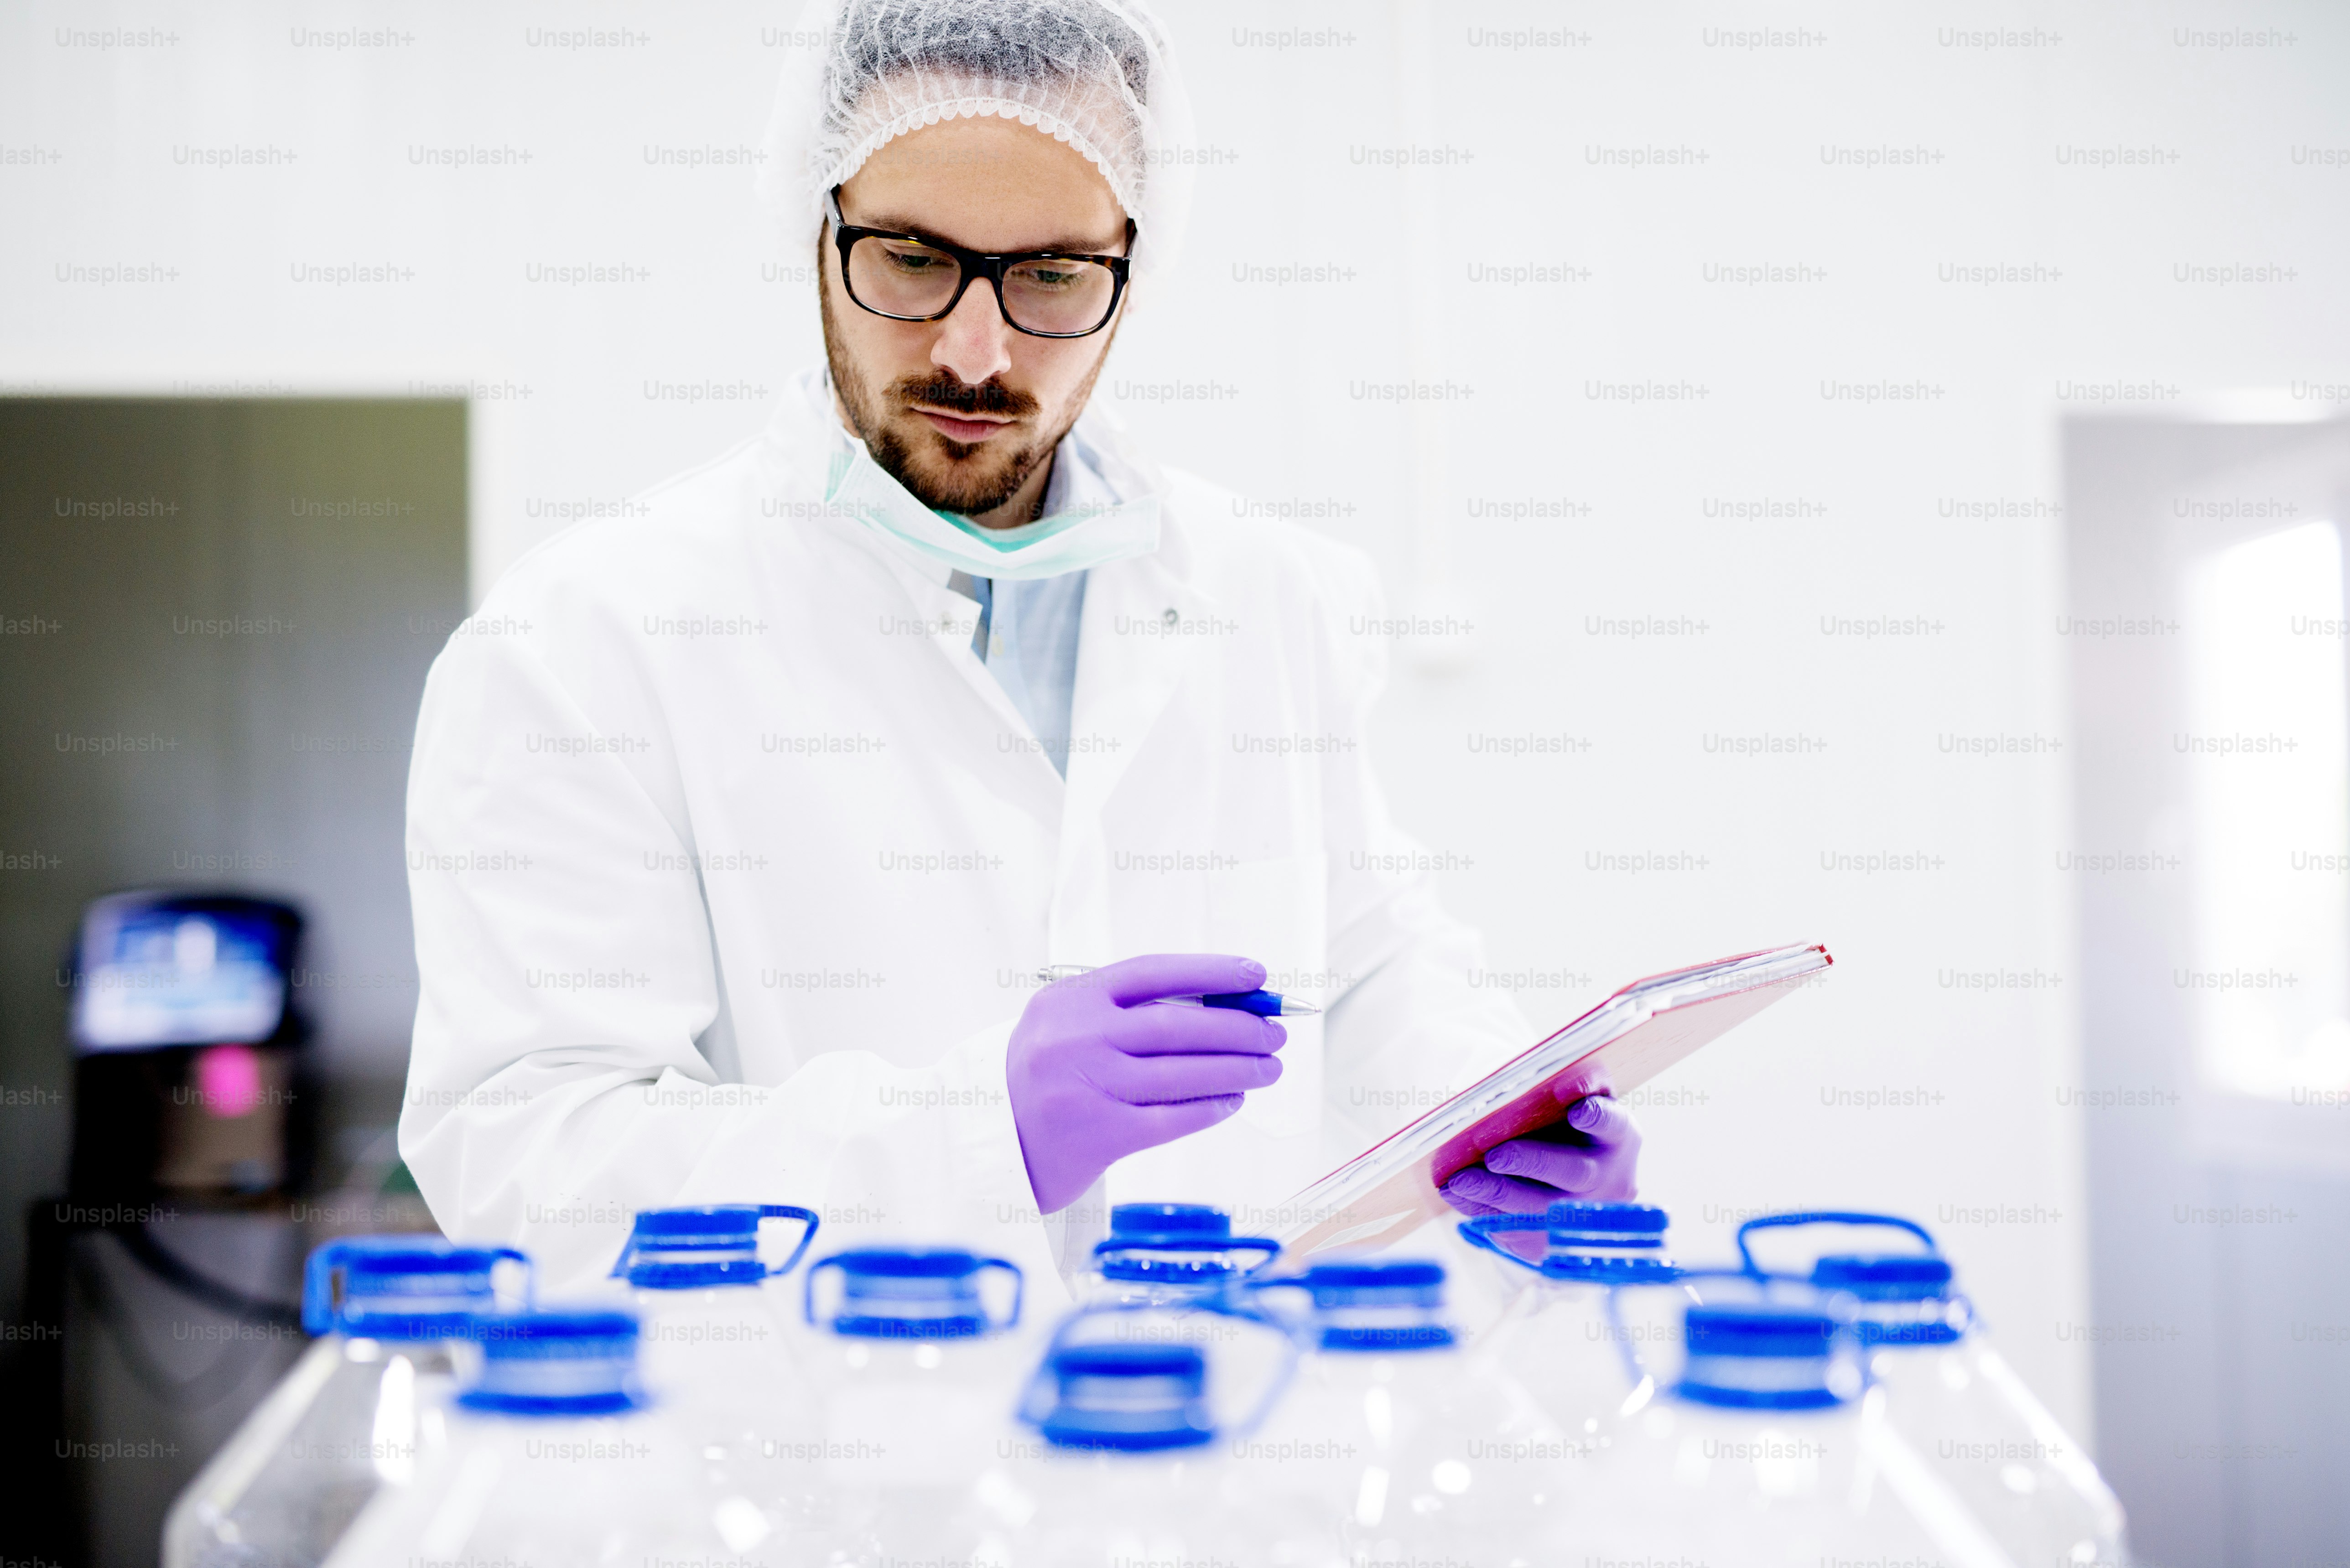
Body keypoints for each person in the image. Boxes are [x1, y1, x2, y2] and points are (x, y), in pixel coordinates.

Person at [398, 0, 1637, 1294]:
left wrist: (1499, 1118)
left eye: (1051, 275)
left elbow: (1372, 965)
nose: (975, 353)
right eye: (912, 258)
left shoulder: (1268, 593)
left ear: (1133, 272)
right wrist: (974, 1136)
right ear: (815, 230)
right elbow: (531, 1168)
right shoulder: (586, 639)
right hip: (824, 1419)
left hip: (1217, 1401)